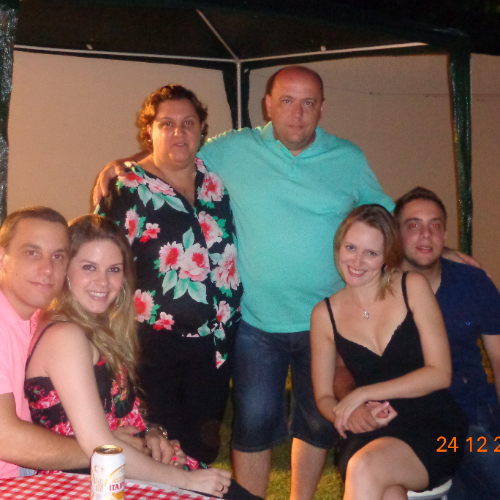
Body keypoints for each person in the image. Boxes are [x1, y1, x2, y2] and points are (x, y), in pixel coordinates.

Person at [93, 66, 394, 499]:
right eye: (286, 101)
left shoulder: (344, 158)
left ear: (322, 108)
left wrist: (428, 253)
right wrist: (120, 165)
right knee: (249, 425)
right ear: (267, 105)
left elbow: (384, 216)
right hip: (248, 325)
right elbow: (169, 153)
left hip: (316, 322)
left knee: (312, 422)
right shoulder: (230, 150)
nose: (297, 113)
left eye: (308, 103)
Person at [24, 214, 233, 497]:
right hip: (87, 481)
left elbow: (115, 414)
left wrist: (153, 434)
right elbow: (97, 443)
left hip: (119, 467)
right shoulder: (65, 336)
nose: (103, 282)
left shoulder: (98, 328)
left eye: (114, 269)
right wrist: (185, 480)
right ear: (66, 270)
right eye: (89, 267)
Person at [96, 85, 243, 465]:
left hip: (215, 344)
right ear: (150, 131)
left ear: (202, 129)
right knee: (160, 446)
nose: (179, 132)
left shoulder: (216, 181)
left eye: (188, 123)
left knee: (203, 445)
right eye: (167, 124)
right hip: (152, 345)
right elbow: (99, 258)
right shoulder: (127, 188)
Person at [311, 204, 467, 500]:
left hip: (434, 426)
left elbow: (440, 374)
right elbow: (323, 398)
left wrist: (362, 393)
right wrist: (349, 414)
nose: (357, 261)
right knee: (387, 491)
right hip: (371, 428)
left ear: (387, 257)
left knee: (364, 468)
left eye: (371, 253)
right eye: (350, 248)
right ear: (338, 246)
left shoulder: (412, 287)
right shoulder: (324, 315)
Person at [393, 187, 500, 500]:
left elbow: (498, 357)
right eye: (413, 225)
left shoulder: (474, 283)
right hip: (411, 418)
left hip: (472, 415)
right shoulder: (380, 288)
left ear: (445, 234)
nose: (426, 234)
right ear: (396, 234)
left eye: (435, 225)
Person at [0, 206, 90, 477]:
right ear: (2, 258)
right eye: (32, 253)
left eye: (58, 256)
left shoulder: (44, 321)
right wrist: (103, 450)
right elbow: (5, 438)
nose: (47, 269)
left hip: (29, 476)